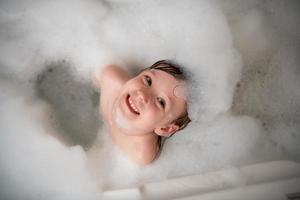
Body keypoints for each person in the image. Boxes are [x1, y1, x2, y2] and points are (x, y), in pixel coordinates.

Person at [93, 60, 191, 165]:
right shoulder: (110, 78)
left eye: (161, 101)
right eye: (148, 80)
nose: (142, 95)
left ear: (165, 128)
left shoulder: (141, 155)